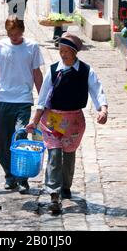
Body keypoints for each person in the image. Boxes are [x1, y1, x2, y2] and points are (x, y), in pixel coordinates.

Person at [26, 32, 108, 213]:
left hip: (73, 122)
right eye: (60, 51)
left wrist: (102, 109)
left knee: (69, 156)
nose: (63, 55)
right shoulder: (54, 70)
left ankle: (65, 186)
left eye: (66, 51)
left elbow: (97, 90)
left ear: (74, 52)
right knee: (54, 154)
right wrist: (34, 121)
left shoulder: (86, 71)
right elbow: (43, 97)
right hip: (53, 120)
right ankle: (54, 194)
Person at [0, 16, 44, 193]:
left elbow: (37, 74)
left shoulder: (31, 47)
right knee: (3, 142)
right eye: (11, 34)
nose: (14, 37)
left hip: (23, 100)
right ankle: (9, 176)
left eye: (17, 33)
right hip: (3, 100)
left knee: (20, 137)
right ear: (7, 32)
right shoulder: (0, 47)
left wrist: (42, 100)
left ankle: (22, 178)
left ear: (22, 31)